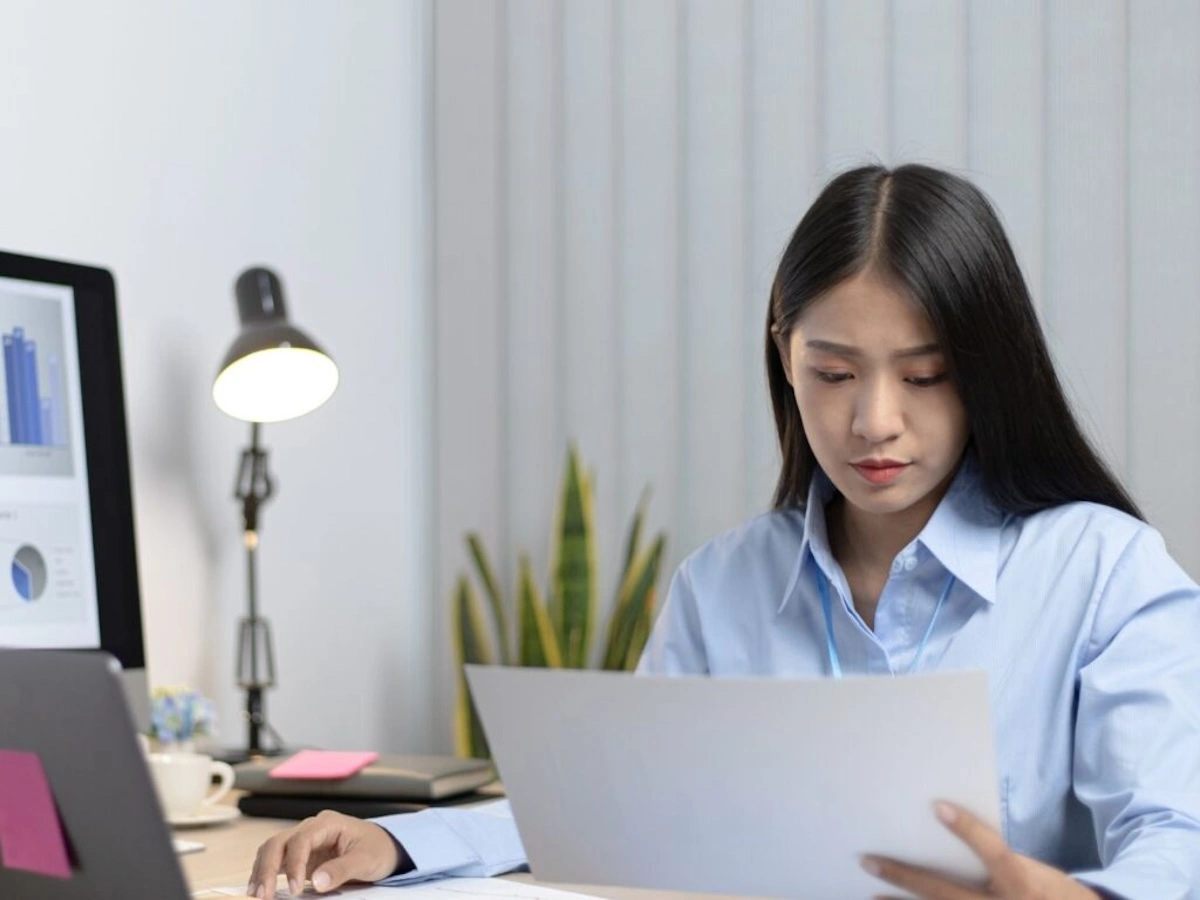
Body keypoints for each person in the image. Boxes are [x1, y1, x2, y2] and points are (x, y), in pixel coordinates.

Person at [246, 164, 1200, 900]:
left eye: (924, 375)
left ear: (989, 370)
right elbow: (620, 813)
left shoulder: (1102, 571)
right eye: (832, 373)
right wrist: (404, 843)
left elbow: (1177, 839)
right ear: (783, 360)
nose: (873, 420)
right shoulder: (724, 586)